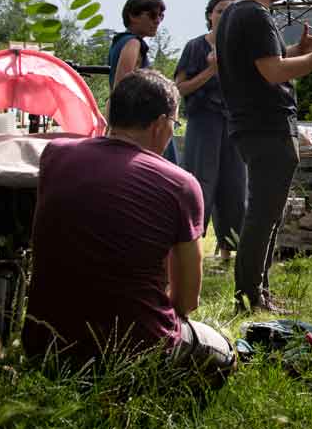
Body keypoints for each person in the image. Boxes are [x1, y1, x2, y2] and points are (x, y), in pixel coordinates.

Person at [22, 70, 235, 380]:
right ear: (160, 124)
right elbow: (187, 301)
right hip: (135, 355)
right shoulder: (181, 184)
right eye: (174, 124)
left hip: (45, 347)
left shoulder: (55, 155)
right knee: (224, 351)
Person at [216, 0, 312, 312]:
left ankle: (258, 292)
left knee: (267, 212)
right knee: (263, 214)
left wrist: (299, 49)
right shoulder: (255, 15)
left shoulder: (234, 14)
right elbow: (273, 73)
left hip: (250, 125)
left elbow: (266, 61)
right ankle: (249, 297)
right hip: (268, 126)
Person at [174, 0, 246, 267]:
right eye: (220, 11)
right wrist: (210, 71)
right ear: (209, 15)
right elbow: (179, 88)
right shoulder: (195, 47)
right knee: (200, 182)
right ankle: (190, 250)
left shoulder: (241, 48)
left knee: (234, 185)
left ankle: (229, 251)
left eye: (230, 11)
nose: (225, 15)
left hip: (234, 124)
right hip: (203, 122)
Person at [109, 0, 177, 163]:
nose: (157, 21)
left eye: (161, 16)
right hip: (141, 126)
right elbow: (122, 86)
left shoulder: (119, 42)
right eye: (153, 15)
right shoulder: (133, 43)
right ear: (133, 15)